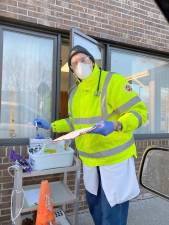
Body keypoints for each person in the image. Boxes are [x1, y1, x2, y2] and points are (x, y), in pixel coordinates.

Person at [33, 45, 148, 225]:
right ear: (71, 69)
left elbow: (140, 112)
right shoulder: (74, 94)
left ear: (92, 61)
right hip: (90, 162)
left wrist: (117, 124)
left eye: (83, 60)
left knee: (112, 211)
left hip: (114, 161)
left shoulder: (113, 82)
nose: (80, 65)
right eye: (74, 63)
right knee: (95, 207)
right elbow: (74, 123)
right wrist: (52, 125)